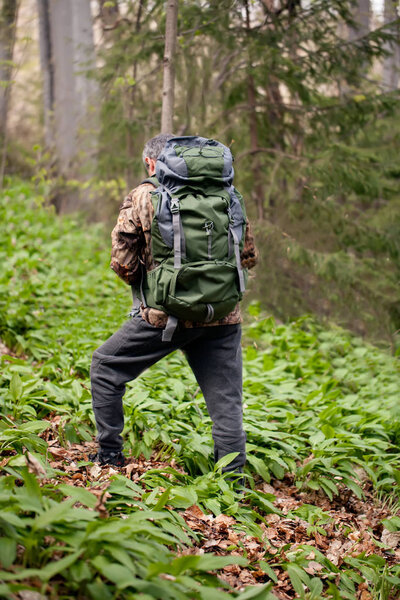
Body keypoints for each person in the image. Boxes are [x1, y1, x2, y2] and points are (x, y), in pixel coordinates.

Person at [89, 133, 258, 478]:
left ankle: (109, 456)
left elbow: (123, 263)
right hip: (223, 316)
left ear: (152, 163)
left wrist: (155, 283)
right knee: (226, 403)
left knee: (105, 367)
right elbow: (249, 256)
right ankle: (234, 483)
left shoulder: (143, 195)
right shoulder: (226, 195)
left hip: (164, 317)